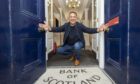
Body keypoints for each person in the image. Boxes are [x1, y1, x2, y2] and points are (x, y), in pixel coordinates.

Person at [39, 11, 108, 66]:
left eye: (74, 17)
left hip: (79, 43)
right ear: (69, 18)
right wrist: (49, 28)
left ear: (76, 18)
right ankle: (73, 53)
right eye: (71, 17)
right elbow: (58, 29)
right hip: (69, 44)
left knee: (76, 46)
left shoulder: (80, 25)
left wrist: (99, 29)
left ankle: (77, 59)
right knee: (59, 50)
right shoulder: (66, 25)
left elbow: (88, 30)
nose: (72, 18)